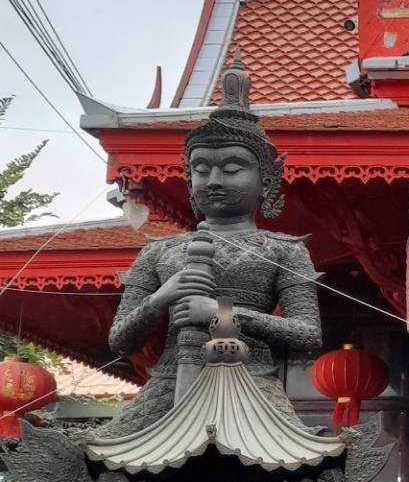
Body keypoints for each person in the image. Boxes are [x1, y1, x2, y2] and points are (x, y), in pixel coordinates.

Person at [104, 63, 321, 433]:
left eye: (233, 168)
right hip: (170, 384)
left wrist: (222, 312)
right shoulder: (158, 253)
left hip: (251, 381)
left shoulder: (283, 250)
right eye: (201, 170)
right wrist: (161, 298)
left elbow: (307, 335)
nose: (214, 181)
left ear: (265, 180)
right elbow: (119, 339)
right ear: (189, 180)